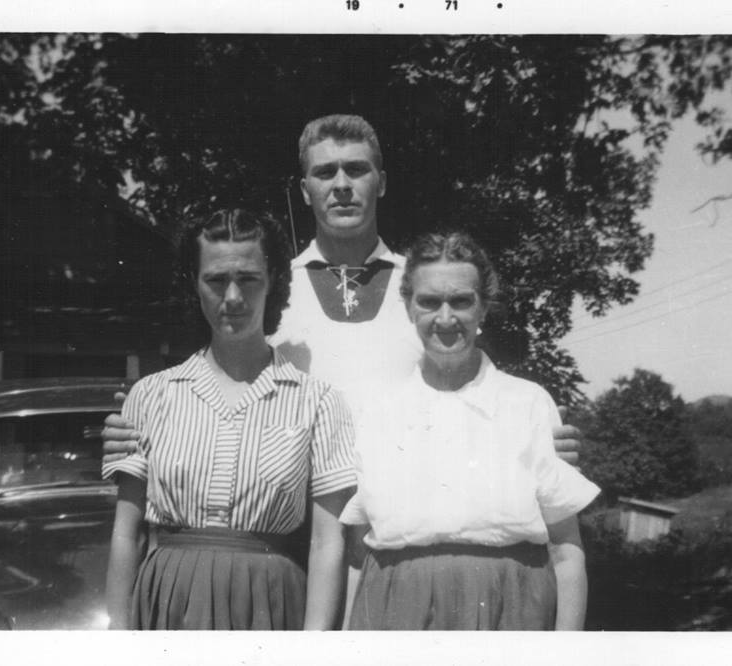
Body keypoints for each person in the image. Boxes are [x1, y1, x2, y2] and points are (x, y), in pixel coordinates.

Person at [103, 113, 583, 463]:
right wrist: (141, 427)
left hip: (402, 517)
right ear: (304, 189)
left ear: (382, 182)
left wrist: (538, 435)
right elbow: (220, 387)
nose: (342, 185)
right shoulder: (267, 293)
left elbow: (477, 391)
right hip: (299, 528)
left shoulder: (426, 293)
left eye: (356, 169)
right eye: (324, 172)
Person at [103, 209, 356, 630]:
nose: (233, 297)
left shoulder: (318, 401)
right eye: (216, 280)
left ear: (273, 281)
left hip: (268, 603)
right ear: (194, 284)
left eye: (249, 279)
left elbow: (327, 543)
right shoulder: (150, 395)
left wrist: (315, 649)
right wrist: (119, 636)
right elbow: (125, 534)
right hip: (170, 599)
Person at [342, 232, 599, 630]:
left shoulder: (528, 403)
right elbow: (358, 554)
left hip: (510, 611)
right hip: (393, 611)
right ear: (409, 307)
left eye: (461, 301)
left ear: (484, 309)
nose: (445, 318)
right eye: (429, 302)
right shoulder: (376, 410)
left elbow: (566, 550)